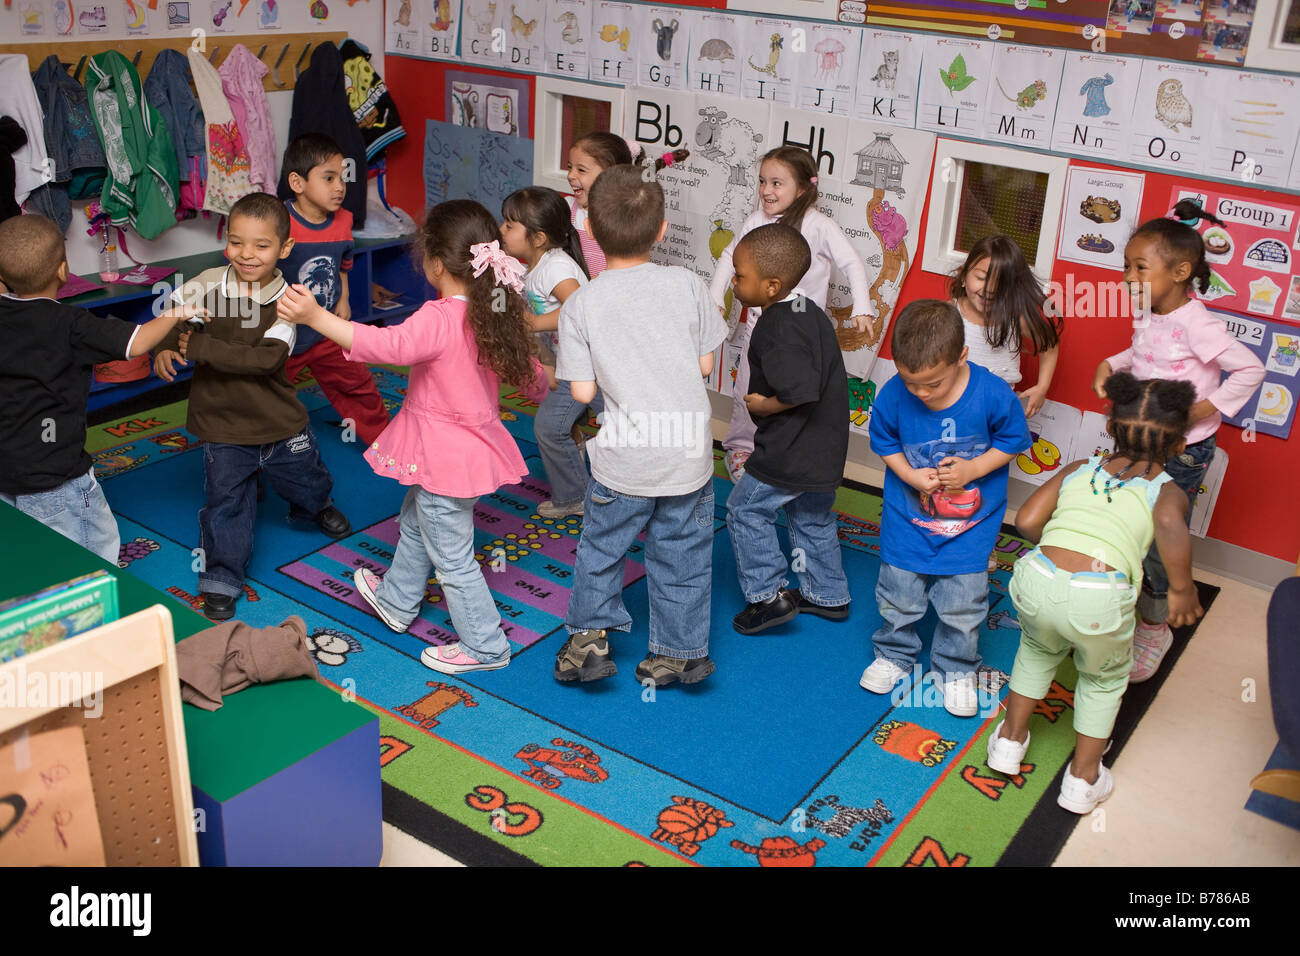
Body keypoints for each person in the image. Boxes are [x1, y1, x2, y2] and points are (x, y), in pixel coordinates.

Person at [278, 200, 549, 675]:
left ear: (436, 263)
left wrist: (314, 318)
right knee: (417, 523)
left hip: (445, 456)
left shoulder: (439, 317)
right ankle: (397, 601)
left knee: (454, 559)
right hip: (458, 452)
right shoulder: (494, 310)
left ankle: (486, 647)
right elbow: (532, 375)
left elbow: (387, 346)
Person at [988, 373, 1204, 813]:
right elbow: (1167, 527)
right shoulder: (1168, 492)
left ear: (1109, 429)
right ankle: (1083, 780)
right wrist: (1181, 589)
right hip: (1098, 599)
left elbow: (1027, 522)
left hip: (1037, 578)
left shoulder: (1077, 468)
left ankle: (1008, 743)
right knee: (1103, 680)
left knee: (1035, 651)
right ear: (1181, 446)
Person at [553, 163, 729, 687]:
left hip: (624, 459)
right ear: (661, 229)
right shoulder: (689, 284)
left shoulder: (582, 303)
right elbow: (703, 366)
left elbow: (583, 393)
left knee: (602, 550)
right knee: (683, 556)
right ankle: (680, 653)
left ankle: (588, 642)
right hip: (687, 458)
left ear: (588, 230)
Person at [154, 192, 352, 621]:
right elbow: (174, 313)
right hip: (223, 424)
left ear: (284, 249)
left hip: (279, 421)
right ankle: (221, 578)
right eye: (236, 242)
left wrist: (199, 345)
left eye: (261, 246)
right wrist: (169, 345)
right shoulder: (208, 282)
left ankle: (315, 507)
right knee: (225, 503)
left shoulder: (292, 301)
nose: (246, 254)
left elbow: (267, 360)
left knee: (308, 480)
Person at [1092, 199, 1264, 681]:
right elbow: (1145, 352)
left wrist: (1204, 408)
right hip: (1139, 438)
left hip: (1181, 451)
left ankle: (1154, 625)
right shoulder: (1151, 313)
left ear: (1181, 271)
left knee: (1158, 540)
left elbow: (1251, 368)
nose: (1127, 277)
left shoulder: (1198, 323)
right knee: (1124, 520)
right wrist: (1112, 363)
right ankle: (1122, 605)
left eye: (1139, 267)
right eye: (1126, 266)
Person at [0, 214, 204, 563]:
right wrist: (177, 312)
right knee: (95, 550)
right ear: (64, 271)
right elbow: (137, 343)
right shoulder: (70, 324)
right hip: (56, 478)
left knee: (24, 552)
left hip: (6, 468)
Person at [862, 300, 1031, 716]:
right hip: (907, 520)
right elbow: (883, 442)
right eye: (911, 382)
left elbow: (1012, 441)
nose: (921, 393)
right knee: (898, 593)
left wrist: (973, 468)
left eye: (932, 384)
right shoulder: (893, 394)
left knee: (963, 602)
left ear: (962, 357)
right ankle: (895, 655)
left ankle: (956, 669)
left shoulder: (992, 393)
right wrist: (910, 475)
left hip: (970, 527)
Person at [708, 145, 873, 482]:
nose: (767, 190)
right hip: (759, 329)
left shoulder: (819, 225)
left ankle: (781, 458)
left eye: (777, 183)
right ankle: (741, 449)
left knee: (792, 395)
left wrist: (863, 307)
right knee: (748, 393)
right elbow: (728, 255)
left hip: (799, 333)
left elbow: (852, 263)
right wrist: (715, 297)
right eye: (762, 181)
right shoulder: (755, 220)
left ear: (803, 188)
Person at [724, 223, 851, 634]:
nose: (734, 280)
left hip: (790, 449)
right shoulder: (806, 310)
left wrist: (764, 404)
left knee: (745, 510)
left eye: (740, 275)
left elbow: (800, 390)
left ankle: (766, 596)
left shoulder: (777, 326)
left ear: (773, 285)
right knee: (811, 515)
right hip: (824, 448)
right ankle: (828, 594)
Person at [279, 132, 390, 448]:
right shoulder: (278, 221)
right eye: (329, 178)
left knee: (357, 383)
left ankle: (384, 442)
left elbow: (343, 260)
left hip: (326, 327)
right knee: (261, 398)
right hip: (282, 334)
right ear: (298, 184)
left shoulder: (343, 220)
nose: (340, 186)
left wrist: (344, 295)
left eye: (342, 178)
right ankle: (250, 461)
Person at [499, 185, 594, 518]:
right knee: (562, 426)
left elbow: (581, 308)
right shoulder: (533, 268)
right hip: (574, 366)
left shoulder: (555, 267)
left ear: (538, 238)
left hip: (590, 366)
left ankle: (577, 496)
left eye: (510, 226)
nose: (501, 231)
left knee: (550, 428)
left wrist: (536, 323)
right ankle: (580, 479)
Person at [950, 235, 1062, 417]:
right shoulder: (949, 313)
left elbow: (1049, 344)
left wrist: (1042, 387)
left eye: (1000, 284)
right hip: (956, 413)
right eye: (981, 277)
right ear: (963, 276)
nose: (989, 290)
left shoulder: (1015, 318)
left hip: (998, 416)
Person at [564, 131, 688, 279]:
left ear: (610, 174)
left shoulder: (626, 215)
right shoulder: (565, 209)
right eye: (569, 167)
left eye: (581, 170)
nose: (570, 175)